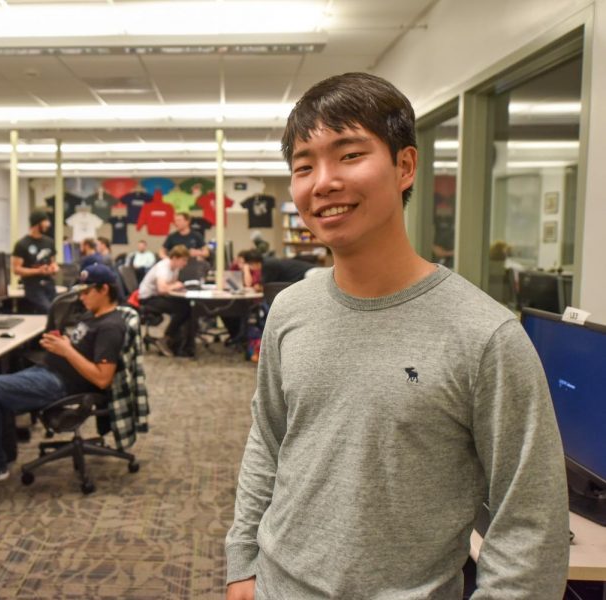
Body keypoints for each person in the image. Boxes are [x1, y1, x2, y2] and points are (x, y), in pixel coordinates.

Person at [226, 72, 569, 599]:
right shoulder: (290, 309)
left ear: (405, 166)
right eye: (303, 166)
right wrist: (243, 564)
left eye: (348, 155)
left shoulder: (485, 335)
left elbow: (531, 522)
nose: (322, 182)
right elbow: (267, 442)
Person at [0, 263, 126, 484]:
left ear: (104, 290)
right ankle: (2, 454)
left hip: (61, 383)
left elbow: (103, 379)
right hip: (51, 371)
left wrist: (66, 351)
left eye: (86, 292)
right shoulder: (93, 316)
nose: (81, 297)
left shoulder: (110, 327)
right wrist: (65, 344)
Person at [138, 245, 193, 358]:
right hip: (147, 299)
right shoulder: (163, 267)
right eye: (184, 260)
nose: (185, 263)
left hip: (158, 296)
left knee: (187, 306)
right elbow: (162, 289)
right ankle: (166, 338)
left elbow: (170, 285)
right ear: (175, 258)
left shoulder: (175, 268)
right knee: (183, 309)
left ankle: (177, 342)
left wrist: (177, 287)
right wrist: (176, 286)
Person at [12, 208, 59, 314]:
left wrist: (54, 268)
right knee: (48, 310)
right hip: (33, 287)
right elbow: (16, 269)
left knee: (58, 311)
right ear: (37, 223)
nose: (48, 224)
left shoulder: (49, 242)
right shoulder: (22, 244)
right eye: (45, 221)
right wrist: (38, 271)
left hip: (49, 284)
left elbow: (53, 262)